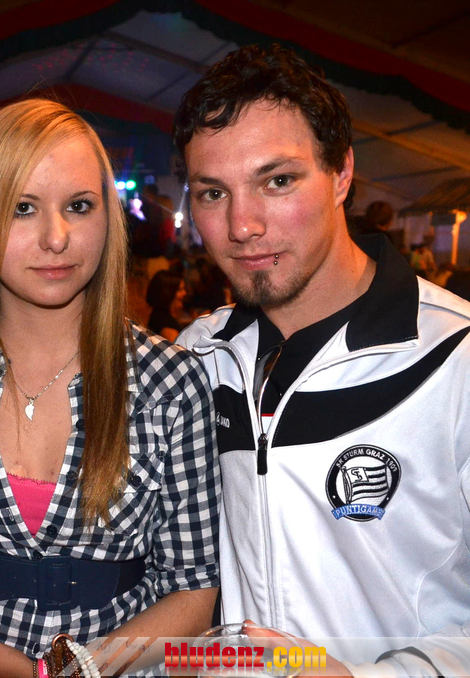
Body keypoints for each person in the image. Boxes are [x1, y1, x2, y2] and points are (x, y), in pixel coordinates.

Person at [174, 44, 470, 673]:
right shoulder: (198, 358)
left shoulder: (456, 358)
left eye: (277, 181)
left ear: (341, 174)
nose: (242, 225)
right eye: (213, 193)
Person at [0, 99, 219, 678]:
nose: (57, 238)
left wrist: (61, 673)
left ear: (109, 217)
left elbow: (193, 591)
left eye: (79, 206)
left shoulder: (169, 382)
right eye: (22, 208)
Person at [145, 269, 187, 342]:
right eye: (180, 290)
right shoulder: (167, 328)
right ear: (167, 293)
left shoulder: (159, 315)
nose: (185, 293)